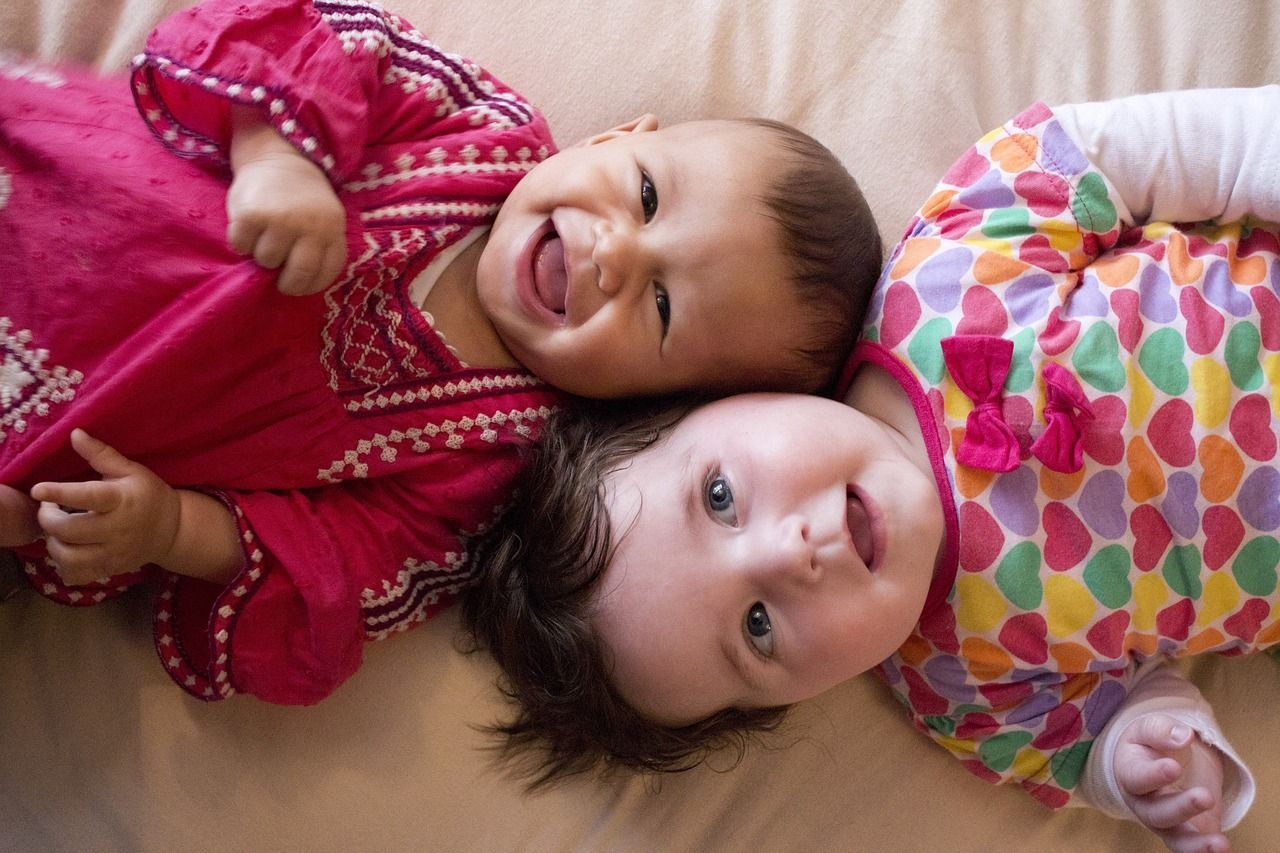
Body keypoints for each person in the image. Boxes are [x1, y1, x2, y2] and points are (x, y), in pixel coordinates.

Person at [464, 86, 1280, 853]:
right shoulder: (960, 687)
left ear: (722, 397)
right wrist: (1149, 760)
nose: (791, 553)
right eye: (757, 627)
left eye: (720, 497)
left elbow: (1126, 155)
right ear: (789, 699)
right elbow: (1099, 734)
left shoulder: (947, 268)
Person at [0, 0, 882, 705]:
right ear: (617, 138)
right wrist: (279, 154)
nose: (618, 253)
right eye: (646, 195)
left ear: (644, 402)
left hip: (52, 429)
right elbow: (309, 32)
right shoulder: (477, 131)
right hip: (53, 176)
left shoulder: (484, 469)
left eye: (662, 308)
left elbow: (338, 571)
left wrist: (169, 527)